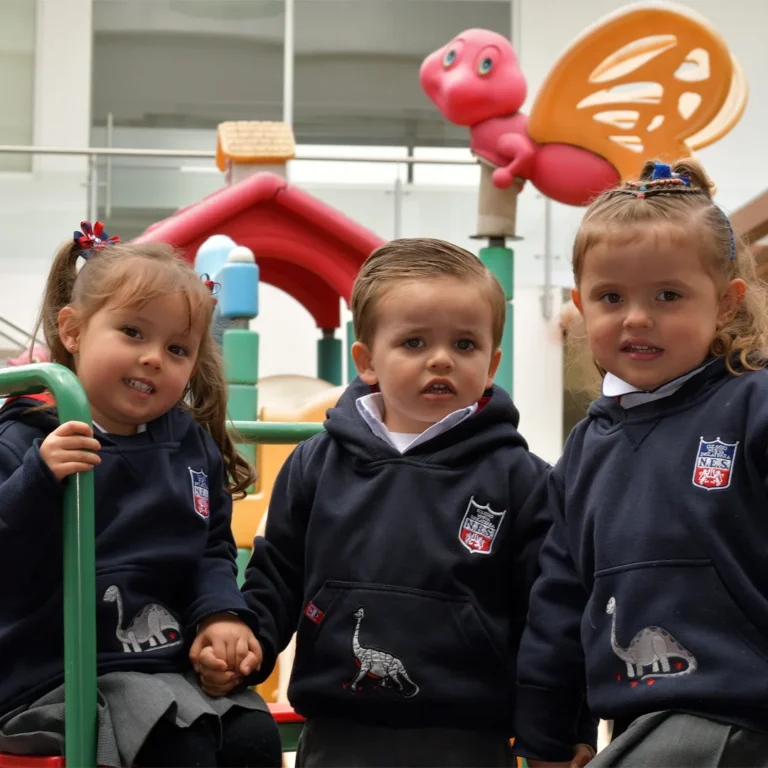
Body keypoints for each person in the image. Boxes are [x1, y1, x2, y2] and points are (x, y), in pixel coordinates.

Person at [194, 238, 595, 767]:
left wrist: (562, 730)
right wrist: (250, 643)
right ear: (367, 361)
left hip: (469, 739)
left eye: (465, 345)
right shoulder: (316, 465)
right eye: (413, 342)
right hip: (337, 731)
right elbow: (277, 577)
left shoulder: (522, 481)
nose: (441, 359)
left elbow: (553, 617)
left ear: (493, 362)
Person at [512, 160, 768, 768]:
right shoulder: (586, 448)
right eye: (611, 297)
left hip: (742, 715)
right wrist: (549, 732)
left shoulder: (754, 406)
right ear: (581, 307)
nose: (636, 317)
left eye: (668, 296)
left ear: (728, 305)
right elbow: (561, 596)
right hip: (637, 719)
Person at [0, 223, 281, 768]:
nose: (154, 357)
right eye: (132, 332)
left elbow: (210, 550)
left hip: (166, 668)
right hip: (53, 674)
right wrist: (37, 480)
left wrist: (221, 615)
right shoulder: (27, 435)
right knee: (177, 745)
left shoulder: (188, 444)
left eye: (177, 348)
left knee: (253, 737)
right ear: (73, 330)